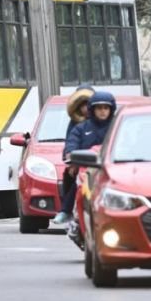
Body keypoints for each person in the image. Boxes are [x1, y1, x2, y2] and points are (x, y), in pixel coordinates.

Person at [52, 91, 117, 224]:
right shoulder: (81, 128)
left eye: (106, 108)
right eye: (99, 108)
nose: (103, 111)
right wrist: (72, 158)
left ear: (112, 109)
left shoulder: (117, 126)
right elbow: (71, 146)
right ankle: (65, 210)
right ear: (92, 109)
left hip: (113, 168)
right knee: (73, 178)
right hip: (86, 169)